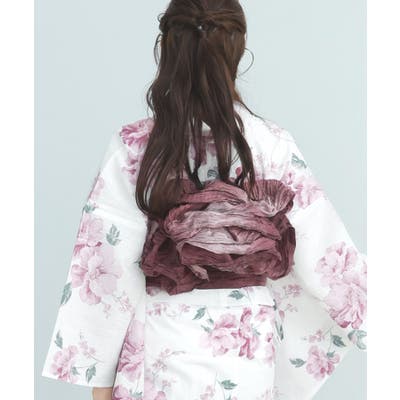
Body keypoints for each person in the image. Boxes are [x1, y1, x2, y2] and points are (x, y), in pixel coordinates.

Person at [41, 1, 367, 399]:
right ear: (238, 50)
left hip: (163, 340)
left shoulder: (136, 147)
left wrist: (102, 383)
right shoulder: (272, 144)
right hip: (247, 343)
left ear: (166, 47)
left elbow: (109, 264)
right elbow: (327, 255)